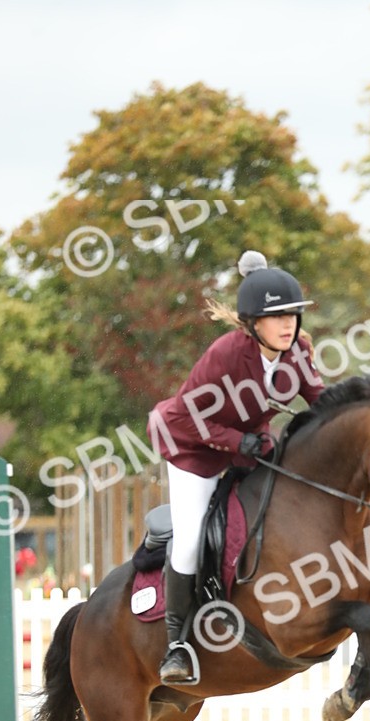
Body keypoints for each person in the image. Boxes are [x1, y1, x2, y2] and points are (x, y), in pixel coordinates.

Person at [147, 250, 324, 684]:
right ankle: (178, 646)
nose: (289, 325)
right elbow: (186, 416)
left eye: (293, 316)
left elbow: (321, 401)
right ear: (253, 323)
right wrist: (235, 441)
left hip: (246, 447)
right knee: (189, 540)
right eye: (278, 317)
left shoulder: (297, 350)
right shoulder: (225, 354)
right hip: (193, 449)